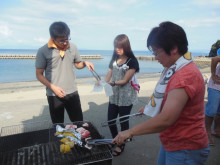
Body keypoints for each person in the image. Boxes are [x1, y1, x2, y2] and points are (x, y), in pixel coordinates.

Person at [113, 22, 210, 164]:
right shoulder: (175, 68)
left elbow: (167, 119)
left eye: (157, 52)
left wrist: (130, 131)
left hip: (186, 147)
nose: (155, 57)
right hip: (172, 141)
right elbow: (167, 98)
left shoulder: (184, 75)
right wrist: (148, 108)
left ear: (174, 49)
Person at [35, 21, 94, 124]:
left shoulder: (73, 47)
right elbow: (39, 74)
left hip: (72, 92)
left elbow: (77, 64)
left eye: (67, 39)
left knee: (79, 123)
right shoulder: (43, 51)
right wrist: (53, 87)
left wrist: (85, 63)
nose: (66, 43)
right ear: (52, 37)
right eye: (62, 41)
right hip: (54, 95)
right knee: (58, 126)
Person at [105, 34, 139, 156]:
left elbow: (125, 80)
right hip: (114, 95)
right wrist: (103, 82)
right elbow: (109, 74)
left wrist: (112, 82)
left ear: (126, 47)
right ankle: (115, 139)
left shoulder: (132, 61)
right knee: (111, 120)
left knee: (123, 121)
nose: (117, 49)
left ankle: (122, 144)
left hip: (126, 96)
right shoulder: (114, 59)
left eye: (119, 47)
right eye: (115, 47)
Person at [205, 47, 220, 146]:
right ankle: (206, 133)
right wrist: (213, 75)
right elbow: (214, 59)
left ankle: (216, 130)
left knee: (219, 111)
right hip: (216, 86)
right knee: (211, 110)